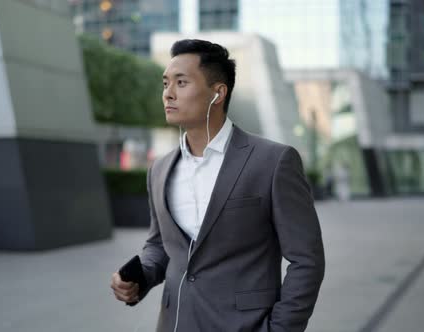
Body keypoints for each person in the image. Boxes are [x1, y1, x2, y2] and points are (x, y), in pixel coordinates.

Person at [110, 39, 325, 332]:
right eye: (165, 83)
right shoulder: (159, 169)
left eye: (181, 82)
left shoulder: (273, 162)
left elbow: (307, 260)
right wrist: (140, 278)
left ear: (217, 93)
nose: (168, 94)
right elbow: (161, 245)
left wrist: (281, 329)